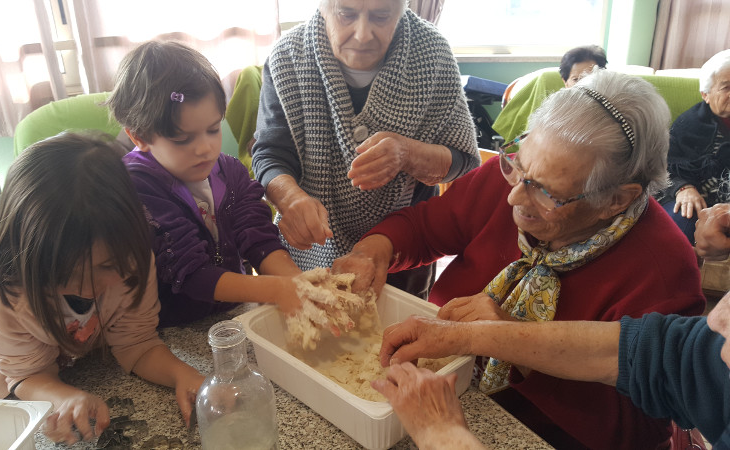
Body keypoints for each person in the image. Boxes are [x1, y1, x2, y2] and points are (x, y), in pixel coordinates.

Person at [334, 70, 707, 449]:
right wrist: (373, 251)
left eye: (548, 193)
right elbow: (425, 227)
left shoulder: (663, 271)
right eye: (519, 166)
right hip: (441, 379)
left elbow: (637, 432)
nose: (514, 198)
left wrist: (510, 341)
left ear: (616, 200)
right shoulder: (514, 181)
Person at [0, 133, 205, 445]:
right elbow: (24, 376)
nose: (90, 288)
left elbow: (137, 343)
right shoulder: (7, 285)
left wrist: (182, 374)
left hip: (56, 355)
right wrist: (65, 398)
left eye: (107, 266)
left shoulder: (133, 256)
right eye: (65, 274)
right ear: (22, 254)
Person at [250, 0, 479, 300]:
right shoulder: (288, 58)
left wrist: (407, 154)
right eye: (346, 14)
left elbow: (462, 160)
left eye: (381, 16)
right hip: (310, 247)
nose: (362, 35)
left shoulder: (432, 54)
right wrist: (290, 198)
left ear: (402, 9)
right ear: (323, 8)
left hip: (401, 255)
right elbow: (269, 153)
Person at [108, 41, 304, 327]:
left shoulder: (230, 172)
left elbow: (257, 235)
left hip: (229, 313)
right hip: (171, 329)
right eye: (183, 139)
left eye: (213, 130)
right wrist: (276, 289)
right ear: (139, 136)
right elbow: (190, 272)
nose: (205, 149)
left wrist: (297, 281)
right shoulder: (137, 186)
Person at [372, 294, 730, 449]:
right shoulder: (715, 345)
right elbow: (647, 351)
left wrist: (442, 435)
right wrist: (466, 335)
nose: (716, 317)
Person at [657, 49, 730, 244]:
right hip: (694, 198)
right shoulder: (689, 125)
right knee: (684, 218)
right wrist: (684, 188)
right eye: (727, 87)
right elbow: (662, 166)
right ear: (705, 94)